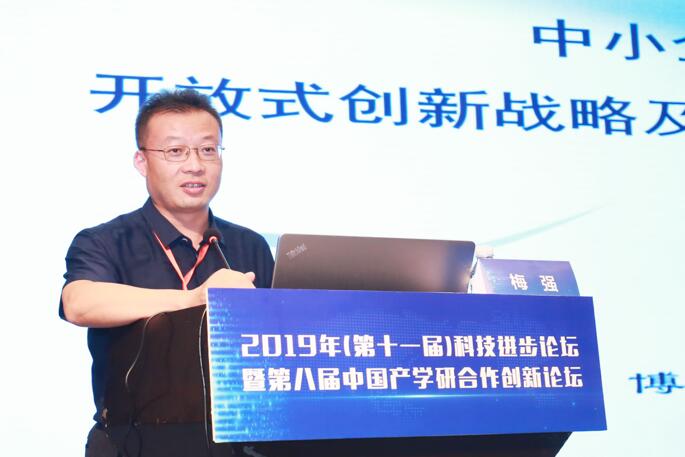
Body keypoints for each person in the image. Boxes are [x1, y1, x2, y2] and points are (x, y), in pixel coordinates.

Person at [60, 89, 274, 457]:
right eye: (175, 151)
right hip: (133, 441)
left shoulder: (248, 245)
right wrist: (196, 299)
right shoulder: (105, 240)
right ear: (142, 161)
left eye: (208, 150)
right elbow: (79, 303)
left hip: (237, 440)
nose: (195, 165)